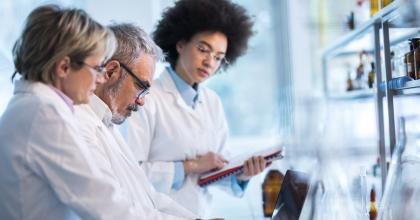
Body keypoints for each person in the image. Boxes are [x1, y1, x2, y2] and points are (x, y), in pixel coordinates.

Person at [0, 5, 149, 220]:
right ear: (64, 67)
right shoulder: (43, 114)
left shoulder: (32, 106)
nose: (100, 78)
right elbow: (107, 207)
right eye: (97, 68)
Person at [126, 0, 269, 217]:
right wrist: (190, 166)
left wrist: (242, 174)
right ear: (180, 44)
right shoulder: (146, 97)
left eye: (218, 57)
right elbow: (130, 173)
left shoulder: (212, 102)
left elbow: (215, 171)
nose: (209, 62)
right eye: (203, 49)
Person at [74, 23, 199, 220]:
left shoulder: (107, 124)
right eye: (140, 86)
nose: (141, 101)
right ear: (110, 72)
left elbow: (150, 197)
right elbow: (114, 212)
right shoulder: (80, 124)